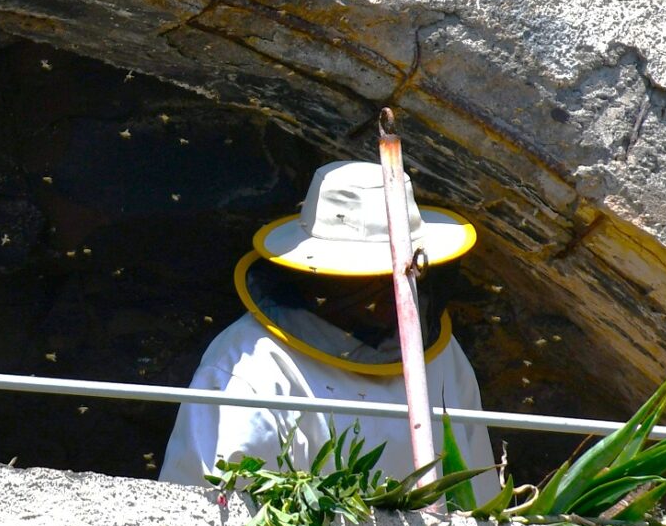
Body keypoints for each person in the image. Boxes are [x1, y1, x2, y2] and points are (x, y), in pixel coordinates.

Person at [160, 160, 494, 484]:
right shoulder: (248, 366)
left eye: (407, 276)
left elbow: (476, 497)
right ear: (327, 279)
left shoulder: (442, 354)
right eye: (377, 280)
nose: (399, 294)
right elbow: (217, 513)